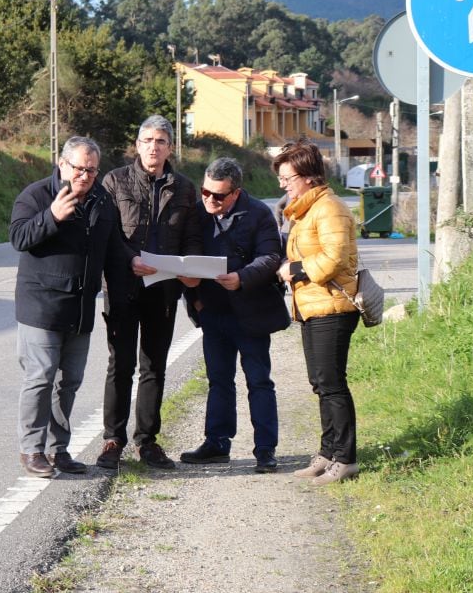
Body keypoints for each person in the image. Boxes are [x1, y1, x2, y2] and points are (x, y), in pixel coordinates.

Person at [10, 136, 137, 478]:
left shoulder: (100, 200)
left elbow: (114, 249)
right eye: (80, 168)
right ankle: (32, 449)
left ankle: (58, 449)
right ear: (62, 163)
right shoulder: (36, 196)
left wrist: (134, 264)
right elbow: (19, 237)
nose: (85, 176)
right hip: (41, 306)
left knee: (69, 381)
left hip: (80, 308)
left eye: (92, 170)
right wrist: (51, 217)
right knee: (40, 376)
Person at [97, 115, 202, 470]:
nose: (153, 147)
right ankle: (113, 439)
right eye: (147, 140)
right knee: (120, 364)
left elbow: (191, 237)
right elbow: (108, 236)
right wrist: (130, 261)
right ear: (137, 145)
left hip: (165, 288)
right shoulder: (115, 181)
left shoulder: (186, 189)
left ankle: (147, 442)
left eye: (160, 141)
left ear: (170, 147)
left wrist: (191, 271)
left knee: (154, 366)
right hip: (124, 285)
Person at [180, 158, 290, 472]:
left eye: (218, 195)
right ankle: (216, 443)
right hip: (212, 312)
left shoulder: (258, 214)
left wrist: (242, 277)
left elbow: (270, 256)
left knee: (259, 382)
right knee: (218, 381)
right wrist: (193, 296)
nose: (209, 200)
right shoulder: (197, 213)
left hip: (250, 313)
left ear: (236, 193)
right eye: (205, 192)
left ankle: (266, 450)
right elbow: (185, 259)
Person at [274, 136, 361, 485]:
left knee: (332, 384)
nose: (283, 186)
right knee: (320, 383)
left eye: (288, 179)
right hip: (312, 306)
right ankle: (328, 453)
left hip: (333, 307)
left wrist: (293, 270)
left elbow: (334, 257)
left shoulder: (330, 208)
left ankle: (346, 459)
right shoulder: (308, 209)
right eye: (281, 180)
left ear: (309, 176)